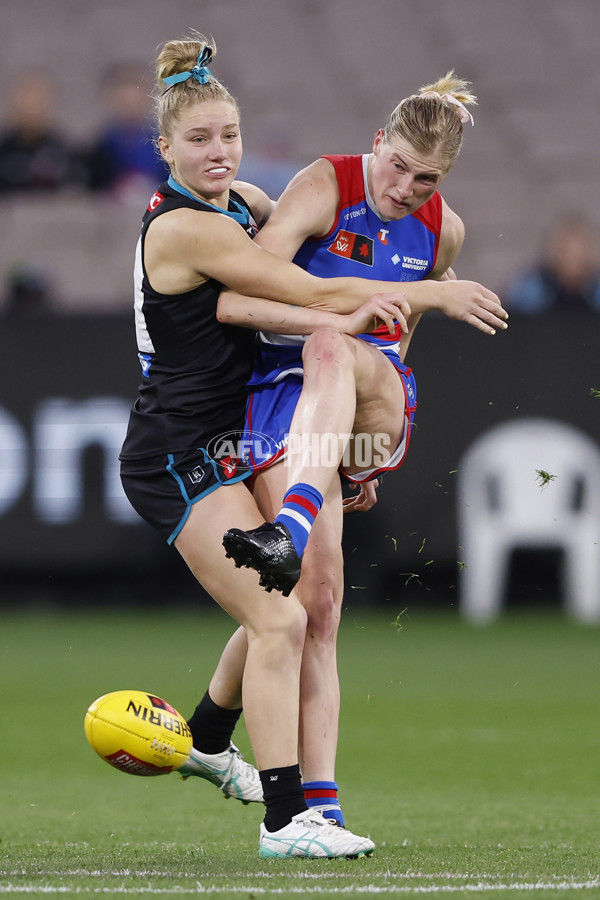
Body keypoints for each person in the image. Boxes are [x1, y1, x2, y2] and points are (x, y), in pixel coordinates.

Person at [119, 30, 423, 859]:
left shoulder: (235, 203)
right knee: (280, 619)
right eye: (198, 139)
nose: (219, 151)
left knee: (288, 597)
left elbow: (288, 249)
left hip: (225, 440)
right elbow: (300, 286)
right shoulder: (185, 228)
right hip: (174, 456)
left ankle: (209, 736)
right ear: (164, 150)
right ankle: (286, 821)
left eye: (229, 134)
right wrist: (406, 298)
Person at [221, 73, 508, 826]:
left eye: (427, 179)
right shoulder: (325, 185)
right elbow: (256, 288)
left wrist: (360, 441)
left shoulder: (443, 231)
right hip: (281, 400)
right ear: (378, 143)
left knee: (333, 348)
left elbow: (398, 335)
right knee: (313, 603)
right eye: (398, 166)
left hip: (366, 391)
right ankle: (309, 800)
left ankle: (296, 515)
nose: (405, 188)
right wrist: (426, 296)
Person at [85, 62, 169, 199]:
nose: (130, 105)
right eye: (123, 100)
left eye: (135, 97)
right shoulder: (101, 148)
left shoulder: (166, 146)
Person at [505, 213, 600, 314]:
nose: (573, 258)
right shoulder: (530, 291)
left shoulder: (596, 292)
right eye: (566, 250)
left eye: (578, 251)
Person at [0, 74, 77, 193]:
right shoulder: (4, 150)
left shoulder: (61, 150)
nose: (31, 106)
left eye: (38, 100)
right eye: (25, 98)